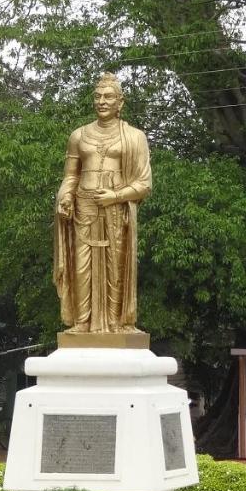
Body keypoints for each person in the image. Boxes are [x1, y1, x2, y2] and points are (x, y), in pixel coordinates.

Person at [53, 72, 152, 334]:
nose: (102, 101)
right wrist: (64, 197)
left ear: (121, 102)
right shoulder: (78, 135)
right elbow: (71, 175)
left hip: (116, 209)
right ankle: (82, 321)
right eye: (97, 96)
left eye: (108, 97)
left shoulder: (134, 137)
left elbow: (144, 184)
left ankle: (117, 322)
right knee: (81, 266)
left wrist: (115, 196)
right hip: (83, 208)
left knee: (115, 265)